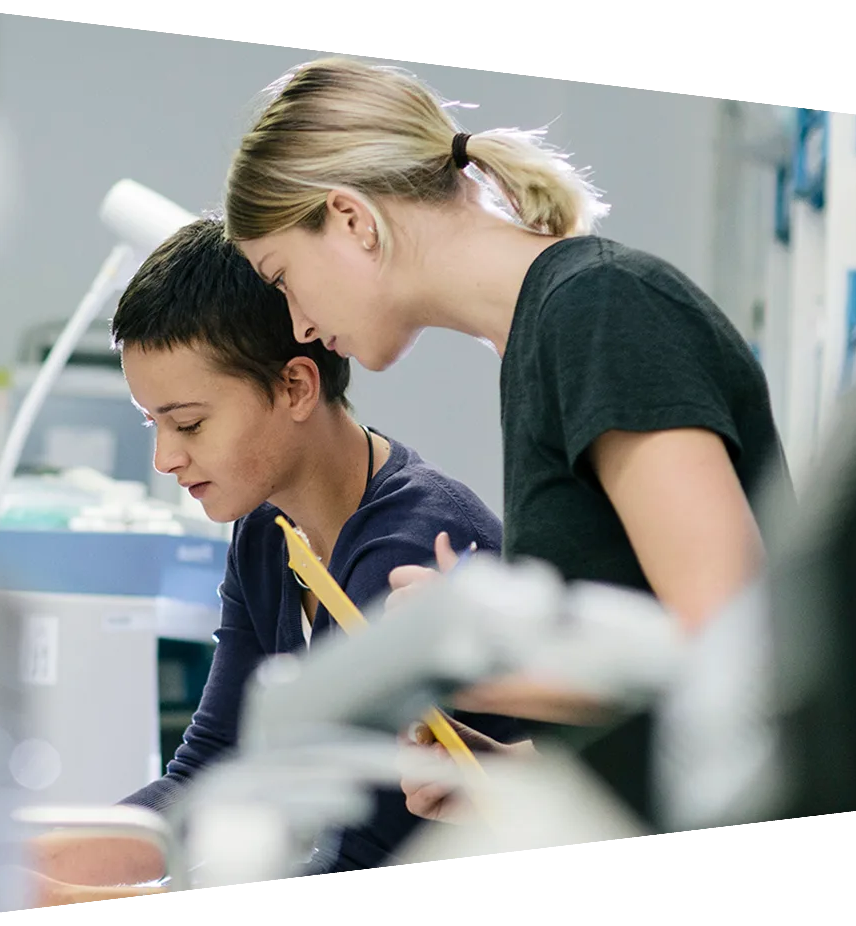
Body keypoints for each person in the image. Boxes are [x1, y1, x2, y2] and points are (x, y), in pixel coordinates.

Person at [223, 58, 793, 824]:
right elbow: (655, 693)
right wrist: (504, 772)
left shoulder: (598, 310)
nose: (298, 326)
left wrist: (483, 653)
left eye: (283, 277)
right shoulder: (536, 341)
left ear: (352, 220)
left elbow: (739, 656)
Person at [26, 215, 522, 901]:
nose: (166, 458)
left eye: (189, 423)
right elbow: (210, 771)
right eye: (154, 424)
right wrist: (22, 866)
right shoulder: (271, 531)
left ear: (295, 386)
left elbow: (360, 854)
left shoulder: (408, 551)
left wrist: (74, 897)